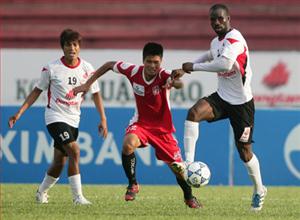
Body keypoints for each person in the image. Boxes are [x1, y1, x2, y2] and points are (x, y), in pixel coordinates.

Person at [71, 42, 202, 208]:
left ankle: (189, 197)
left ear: (161, 62)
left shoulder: (164, 75)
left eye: (156, 62)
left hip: (163, 130)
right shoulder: (133, 71)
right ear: (143, 61)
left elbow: (178, 84)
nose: (152, 66)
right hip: (141, 124)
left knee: (178, 168)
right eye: (149, 62)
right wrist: (86, 85)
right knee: (128, 145)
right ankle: (133, 184)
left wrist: (176, 81)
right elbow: (109, 65)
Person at [171, 4, 267, 211]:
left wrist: (193, 67)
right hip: (222, 98)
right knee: (193, 113)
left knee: (245, 153)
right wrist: (185, 68)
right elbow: (210, 55)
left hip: (242, 105)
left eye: (220, 19)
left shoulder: (235, 39)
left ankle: (259, 189)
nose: (216, 23)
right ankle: (188, 164)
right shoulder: (216, 41)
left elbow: (223, 64)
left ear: (228, 19)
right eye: (213, 20)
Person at [8, 29, 108, 205]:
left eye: (75, 44)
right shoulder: (51, 68)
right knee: (75, 151)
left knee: (59, 162)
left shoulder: (87, 68)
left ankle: (41, 192)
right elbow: (36, 91)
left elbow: (96, 94)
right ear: (62, 47)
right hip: (54, 117)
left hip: (74, 119)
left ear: (79, 47)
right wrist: (19, 112)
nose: (72, 48)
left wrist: (103, 119)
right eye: (68, 44)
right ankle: (78, 197)